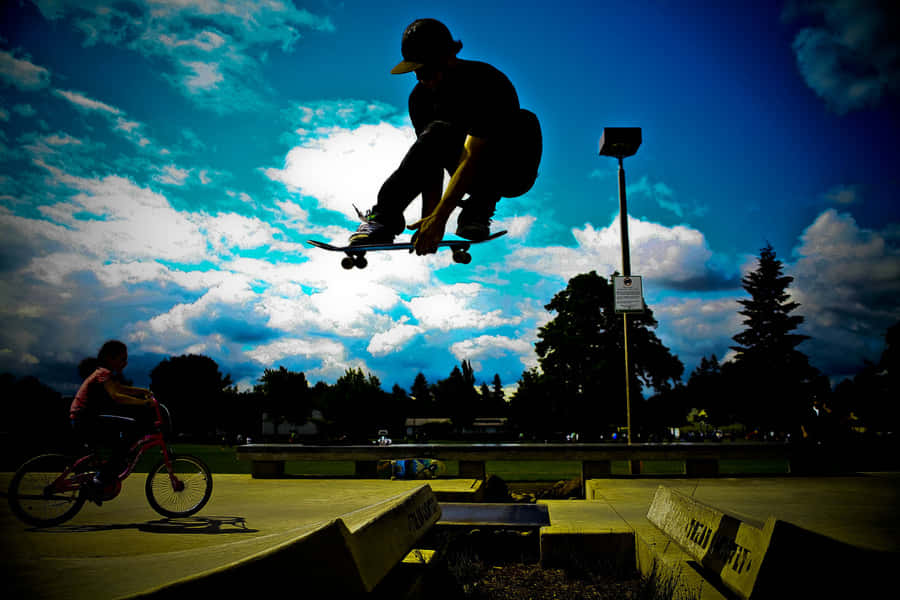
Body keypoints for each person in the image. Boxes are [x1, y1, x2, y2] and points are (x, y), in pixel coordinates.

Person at [350, 18, 542, 254]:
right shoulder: (420, 99)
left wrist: (440, 218)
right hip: (463, 169)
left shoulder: (486, 81)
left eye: (428, 70)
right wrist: (428, 220)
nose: (423, 79)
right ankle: (383, 219)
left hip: (511, 169)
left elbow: (472, 157)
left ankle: (479, 208)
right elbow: (429, 165)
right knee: (437, 134)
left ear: (449, 56)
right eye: (416, 72)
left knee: (526, 120)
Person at [70, 340, 154, 492]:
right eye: (122, 359)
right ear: (110, 358)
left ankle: (107, 470)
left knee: (120, 444)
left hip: (84, 417)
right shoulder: (104, 373)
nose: (125, 363)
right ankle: (103, 477)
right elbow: (116, 396)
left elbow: (120, 388)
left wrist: (143, 391)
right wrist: (143, 403)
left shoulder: (103, 373)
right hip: (85, 418)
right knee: (133, 427)